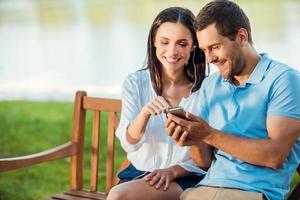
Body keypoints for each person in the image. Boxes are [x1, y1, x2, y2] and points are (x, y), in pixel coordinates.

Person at [165, 1, 300, 200]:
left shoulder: (283, 80)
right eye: (204, 50)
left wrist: (208, 134)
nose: (210, 58)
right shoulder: (212, 85)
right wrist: (192, 139)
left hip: (254, 193)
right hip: (205, 189)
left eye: (215, 47)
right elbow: (203, 162)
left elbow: (274, 156)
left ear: (242, 37)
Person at [107, 7, 211, 200]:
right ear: (154, 40)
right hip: (140, 174)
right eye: (165, 42)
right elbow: (128, 143)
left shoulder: (206, 89)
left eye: (182, 44)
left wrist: (173, 171)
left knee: (118, 196)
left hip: (185, 178)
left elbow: (206, 158)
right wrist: (144, 114)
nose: (172, 51)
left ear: (193, 46)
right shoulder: (135, 83)